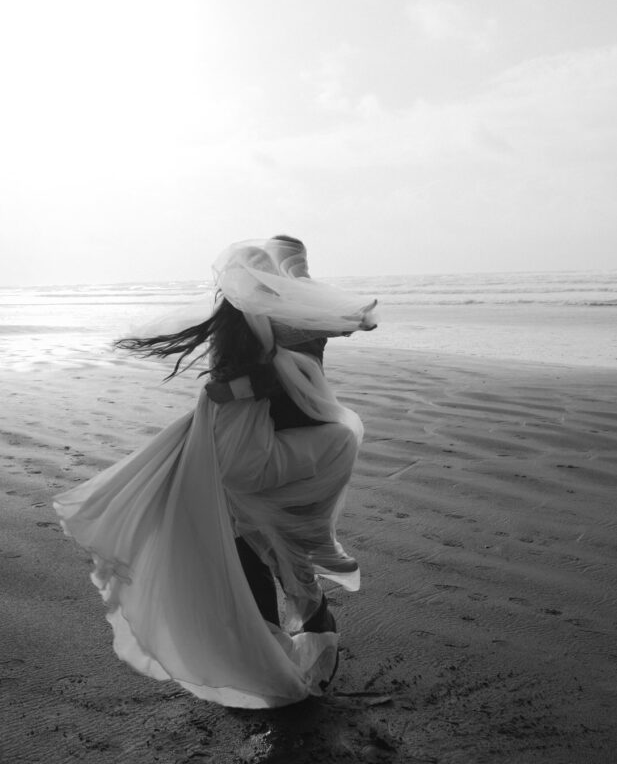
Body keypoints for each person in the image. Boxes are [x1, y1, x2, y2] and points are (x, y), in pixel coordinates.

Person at [54, 236, 377, 708]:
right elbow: (349, 326)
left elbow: (348, 325)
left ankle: (278, 650)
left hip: (248, 452)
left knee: (264, 544)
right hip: (256, 454)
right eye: (293, 269)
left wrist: (324, 323)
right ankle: (286, 648)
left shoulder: (270, 316)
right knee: (277, 544)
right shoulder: (267, 321)